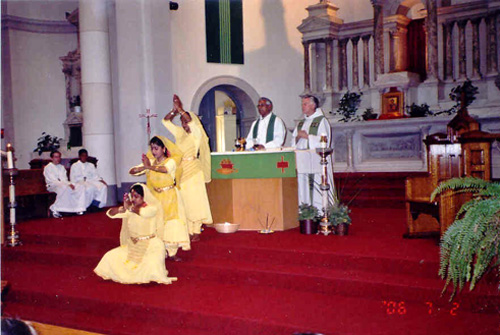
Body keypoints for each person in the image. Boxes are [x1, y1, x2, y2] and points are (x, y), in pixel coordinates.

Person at [94, 183, 177, 285]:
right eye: (132, 196)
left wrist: (129, 208)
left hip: (151, 246)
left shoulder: (152, 208)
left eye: (136, 196)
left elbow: (144, 213)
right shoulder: (130, 209)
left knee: (151, 265)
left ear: (144, 197)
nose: (133, 199)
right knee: (109, 257)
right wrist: (122, 209)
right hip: (132, 246)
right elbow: (110, 214)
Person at [129, 136, 190, 261]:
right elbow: (132, 171)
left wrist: (148, 167)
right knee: (157, 223)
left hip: (169, 196)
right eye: (152, 149)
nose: (153, 151)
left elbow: (165, 169)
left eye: (156, 148)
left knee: (171, 223)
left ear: (163, 149)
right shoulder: (150, 162)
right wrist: (141, 167)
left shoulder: (171, 161)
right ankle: (161, 251)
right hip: (155, 197)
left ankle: (172, 252)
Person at [163, 94, 212, 242]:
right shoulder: (180, 134)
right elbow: (165, 121)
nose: (184, 124)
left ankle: (196, 229)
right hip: (181, 171)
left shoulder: (196, 134)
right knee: (184, 201)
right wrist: (174, 111)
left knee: (195, 201)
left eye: (185, 122)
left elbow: (192, 123)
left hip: (194, 171)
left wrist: (182, 110)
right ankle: (188, 229)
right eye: (182, 122)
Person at [292, 95, 332, 210]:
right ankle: (304, 210)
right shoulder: (301, 122)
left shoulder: (321, 121)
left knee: (316, 184)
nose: (302, 107)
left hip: (316, 160)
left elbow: (325, 140)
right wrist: (298, 138)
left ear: (313, 105)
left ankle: (319, 211)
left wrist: (308, 136)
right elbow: (293, 141)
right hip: (303, 159)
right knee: (303, 184)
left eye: (305, 104)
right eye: (302, 104)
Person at [43, 150, 87, 218]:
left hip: (63, 184)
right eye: (56, 157)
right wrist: (66, 184)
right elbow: (52, 180)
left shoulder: (61, 167)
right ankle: (54, 208)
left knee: (80, 186)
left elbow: (64, 179)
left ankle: (78, 208)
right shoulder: (48, 167)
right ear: (52, 158)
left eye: (59, 157)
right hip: (52, 185)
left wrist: (69, 184)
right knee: (64, 188)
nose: (58, 159)